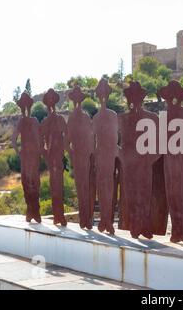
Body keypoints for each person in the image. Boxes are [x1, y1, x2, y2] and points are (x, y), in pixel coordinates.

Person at [118, 81, 160, 239]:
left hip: (144, 163)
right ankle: (135, 224)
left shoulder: (152, 118)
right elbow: (112, 141)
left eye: (137, 97)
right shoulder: (122, 118)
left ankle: (145, 225)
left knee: (144, 194)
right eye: (131, 97)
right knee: (131, 195)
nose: (134, 100)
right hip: (129, 164)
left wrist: (151, 159)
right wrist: (121, 155)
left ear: (142, 99)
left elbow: (160, 142)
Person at [158, 81, 183, 246]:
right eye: (169, 96)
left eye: (175, 96)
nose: (172, 99)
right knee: (172, 195)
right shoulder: (164, 115)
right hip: (170, 160)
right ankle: (176, 230)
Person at [67, 86, 96, 230]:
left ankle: (86, 218)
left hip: (83, 156)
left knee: (84, 187)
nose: (77, 103)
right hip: (80, 156)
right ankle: (84, 219)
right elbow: (67, 140)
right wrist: (72, 154)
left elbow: (90, 137)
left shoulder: (83, 117)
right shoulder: (74, 118)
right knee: (82, 188)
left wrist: (90, 154)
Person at [93, 79, 118, 234]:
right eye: (100, 95)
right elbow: (93, 138)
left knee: (109, 187)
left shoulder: (112, 115)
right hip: (100, 155)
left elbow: (115, 137)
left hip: (109, 155)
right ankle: (104, 219)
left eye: (105, 94)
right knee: (102, 188)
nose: (103, 97)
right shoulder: (95, 118)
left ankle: (108, 221)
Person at [12, 92, 42, 223]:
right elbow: (13, 139)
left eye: (26, 106)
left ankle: (33, 211)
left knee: (33, 181)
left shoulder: (32, 121)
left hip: (31, 155)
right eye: (23, 106)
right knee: (28, 181)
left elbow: (14, 139)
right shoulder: (25, 122)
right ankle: (31, 211)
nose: (25, 109)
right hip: (29, 155)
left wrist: (20, 151)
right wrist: (19, 152)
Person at [40, 89, 68, 226]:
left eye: (52, 100)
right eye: (48, 100)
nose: (50, 103)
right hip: (51, 157)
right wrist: (44, 152)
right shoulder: (45, 121)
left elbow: (67, 136)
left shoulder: (60, 119)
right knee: (53, 184)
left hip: (59, 155)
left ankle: (60, 215)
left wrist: (67, 152)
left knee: (59, 185)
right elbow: (40, 138)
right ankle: (57, 215)